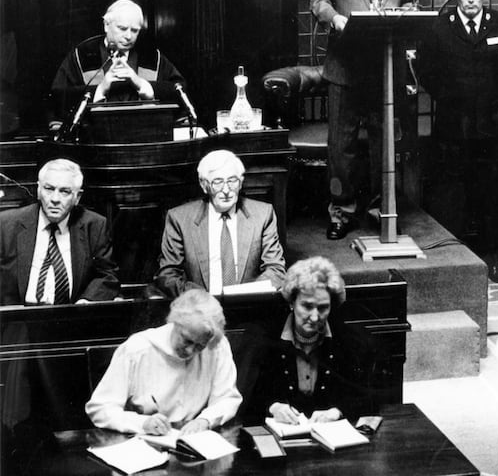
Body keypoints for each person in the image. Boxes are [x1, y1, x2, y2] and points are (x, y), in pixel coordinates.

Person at [310, 0, 416, 240]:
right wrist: (337, 19)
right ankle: (341, 211)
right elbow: (318, 1)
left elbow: (411, 1)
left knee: (384, 145)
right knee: (341, 147)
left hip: (385, 68)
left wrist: (407, 13)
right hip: (345, 66)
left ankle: (380, 209)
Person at [420, 0, 498, 283]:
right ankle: (455, 265)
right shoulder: (440, 27)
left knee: (489, 194)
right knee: (453, 193)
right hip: (453, 127)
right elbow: (425, 69)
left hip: (491, 127)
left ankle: (491, 262)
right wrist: (447, 98)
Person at [245, 256, 380, 424]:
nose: (315, 317)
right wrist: (273, 408)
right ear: (292, 302)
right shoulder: (265, 339)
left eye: (323, 308)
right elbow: (248, 398)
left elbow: (366, 399)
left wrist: (336, 412)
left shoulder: (348, 340)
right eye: (307, 306)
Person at [85, 289, 241, 434]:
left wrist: (205, 420)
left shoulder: (216, 346)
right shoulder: (137, 348)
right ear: (173, 322)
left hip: (193, 439)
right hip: (142, 442)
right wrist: (142, 423)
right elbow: (100, 408)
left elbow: (227, 397)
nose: (190, 351)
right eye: (186, 340)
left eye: (200, 346)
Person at [153, 149, 285, 297]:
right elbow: (167, 275)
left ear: (241, 183)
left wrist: (246, 295)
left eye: (232, 181)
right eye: (218, 182)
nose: (226, 190)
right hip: (201, 309)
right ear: (204, 185)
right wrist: (204, 299)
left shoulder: (262, 214)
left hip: (247, 307)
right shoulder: (179, 218)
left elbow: (276, 270)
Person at [0, 158, 118, 305]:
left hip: (71, 317)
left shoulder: (94, 225)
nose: (55, 199)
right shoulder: (6, 224)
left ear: (77, 197)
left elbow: (107, 276)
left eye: (65, 192)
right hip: (19, 319)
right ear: (38, 190)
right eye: (49, 189)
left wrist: (87, 301)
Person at [50, 0, 186, 109]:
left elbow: (179, 89)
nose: (128, 36)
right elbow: (58, 96)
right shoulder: (82, 55)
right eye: (122, 28)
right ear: (106, 25)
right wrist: (100, 89)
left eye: (134, 30)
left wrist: (142, 84)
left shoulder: (152, 57)